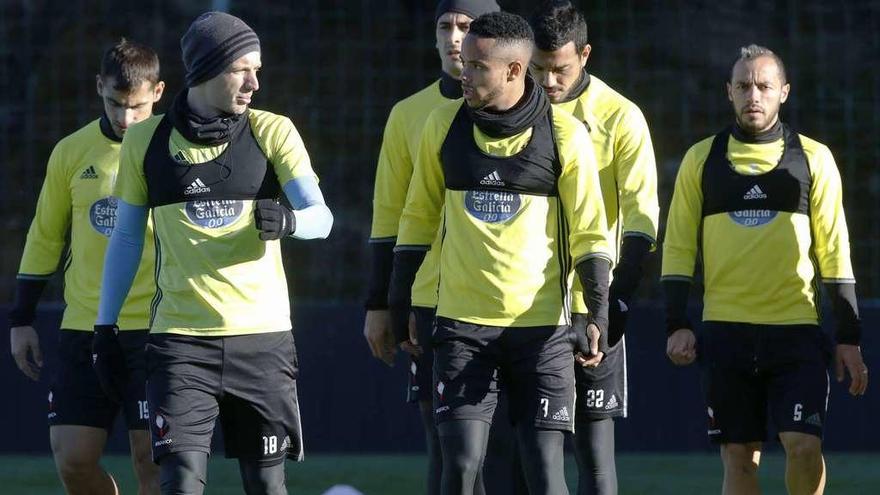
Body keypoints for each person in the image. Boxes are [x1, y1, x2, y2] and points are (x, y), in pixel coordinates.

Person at [94, 12, 332, 495]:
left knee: (266, 486)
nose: (254, 82)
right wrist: (104, 324)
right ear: (206, 68)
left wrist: (291, 222)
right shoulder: (145, 140)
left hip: (263, 342)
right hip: (180, 344)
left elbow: (322, 217)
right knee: (179, 484)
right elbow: (124, 239)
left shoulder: (273, 131)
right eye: (241, 68)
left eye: (258, 69)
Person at [388, 12, 611, 495]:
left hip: (543, 333)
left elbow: (591, 234)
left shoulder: (565, 135)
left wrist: (596, 314)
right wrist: (398, 300)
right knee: (462, 466)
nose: (463, 73)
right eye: (464, 62)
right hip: (462, 328)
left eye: (477, 66)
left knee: (544, 472)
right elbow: (417, 219)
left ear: (514, 71)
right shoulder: (440, 126)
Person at [662, 44, 868, 495]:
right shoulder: (701, 159)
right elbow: (677, 247)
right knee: (739, 458)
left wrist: (849, 335)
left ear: (784, 92)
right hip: (725, 332)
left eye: (764, 86)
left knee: (803, 446)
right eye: (743, 86)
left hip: (795, 331)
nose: (753, 95)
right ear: (729, 92)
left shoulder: (814, 159)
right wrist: (676, 322)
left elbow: (836, 251)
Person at [8, 39, 164, 495]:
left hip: (156, 331)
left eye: (136, 106)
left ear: (157, 92)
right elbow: (45, 236)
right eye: (115, 103)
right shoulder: (71, 152)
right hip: (85, 328)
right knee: (74, 462)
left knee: (151, 462)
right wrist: (21, 318)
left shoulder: (173, 151)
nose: (125, 116)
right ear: (99, 87)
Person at [362, 2, 502, 494]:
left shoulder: (534, 110)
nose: (455, 37)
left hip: (516, 305)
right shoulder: (409, 114)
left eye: (467, 27)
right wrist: (381, 303)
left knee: (513, 452)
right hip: (432, 303)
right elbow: (390, 216)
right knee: (447, 450)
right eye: (445, 26)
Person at [529, 3, 659, 494]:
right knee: (528, 455)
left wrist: (615, 302)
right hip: (525, 308)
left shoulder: (620, 117)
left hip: (591, 308)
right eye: (538, 68)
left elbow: (643, 217)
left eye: (560, 68)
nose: (548, 80)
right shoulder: (510, 111)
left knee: (595, 460)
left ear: (585, 54)